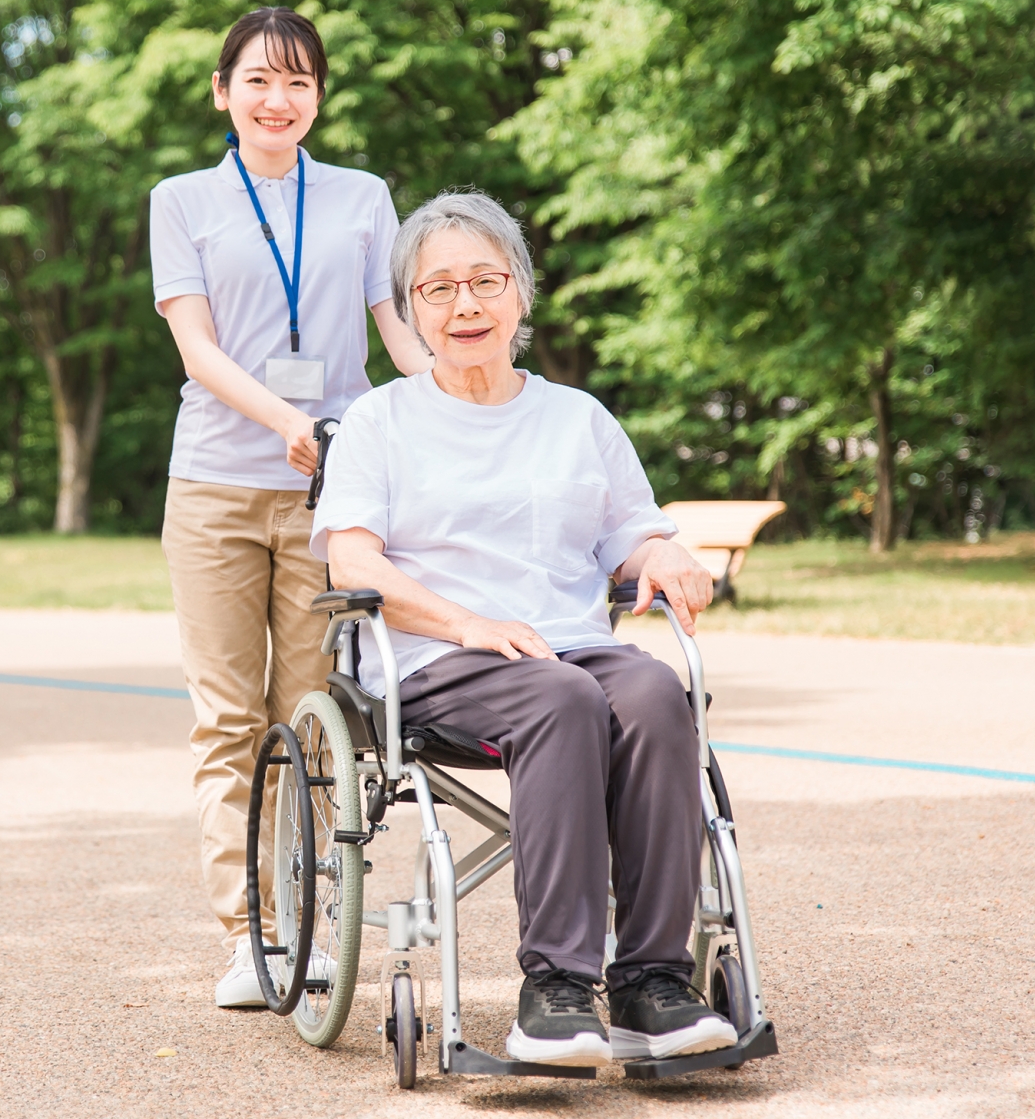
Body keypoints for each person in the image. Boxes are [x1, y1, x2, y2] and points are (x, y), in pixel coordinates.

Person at [309, 190, 736, 1065]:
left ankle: (653, 981)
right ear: (411, 310)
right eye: (438, 290)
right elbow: (354, 565)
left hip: (569, 644)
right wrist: (468, 623)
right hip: (438, 654)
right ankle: (556, 989)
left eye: (485, 281)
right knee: (562, 697)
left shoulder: (578, 418)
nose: (465, 305)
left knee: (655, 692)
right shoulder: (377, 423)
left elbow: (631, 531)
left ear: (520, 296)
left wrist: (659, 555)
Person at [151, 8, 433, 1009]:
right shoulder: (182, 200)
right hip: (218, 488)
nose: (281, 100)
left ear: (320, 96)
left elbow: (398, 323)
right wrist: (290, 416)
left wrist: (454, 397)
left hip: (334, 489)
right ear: (222, 91)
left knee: (312, 715)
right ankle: (247, 935)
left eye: (301, 83)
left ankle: (306, 920)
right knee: (229, 718)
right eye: (261, 81)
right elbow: (197, 348)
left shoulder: (362, 198)